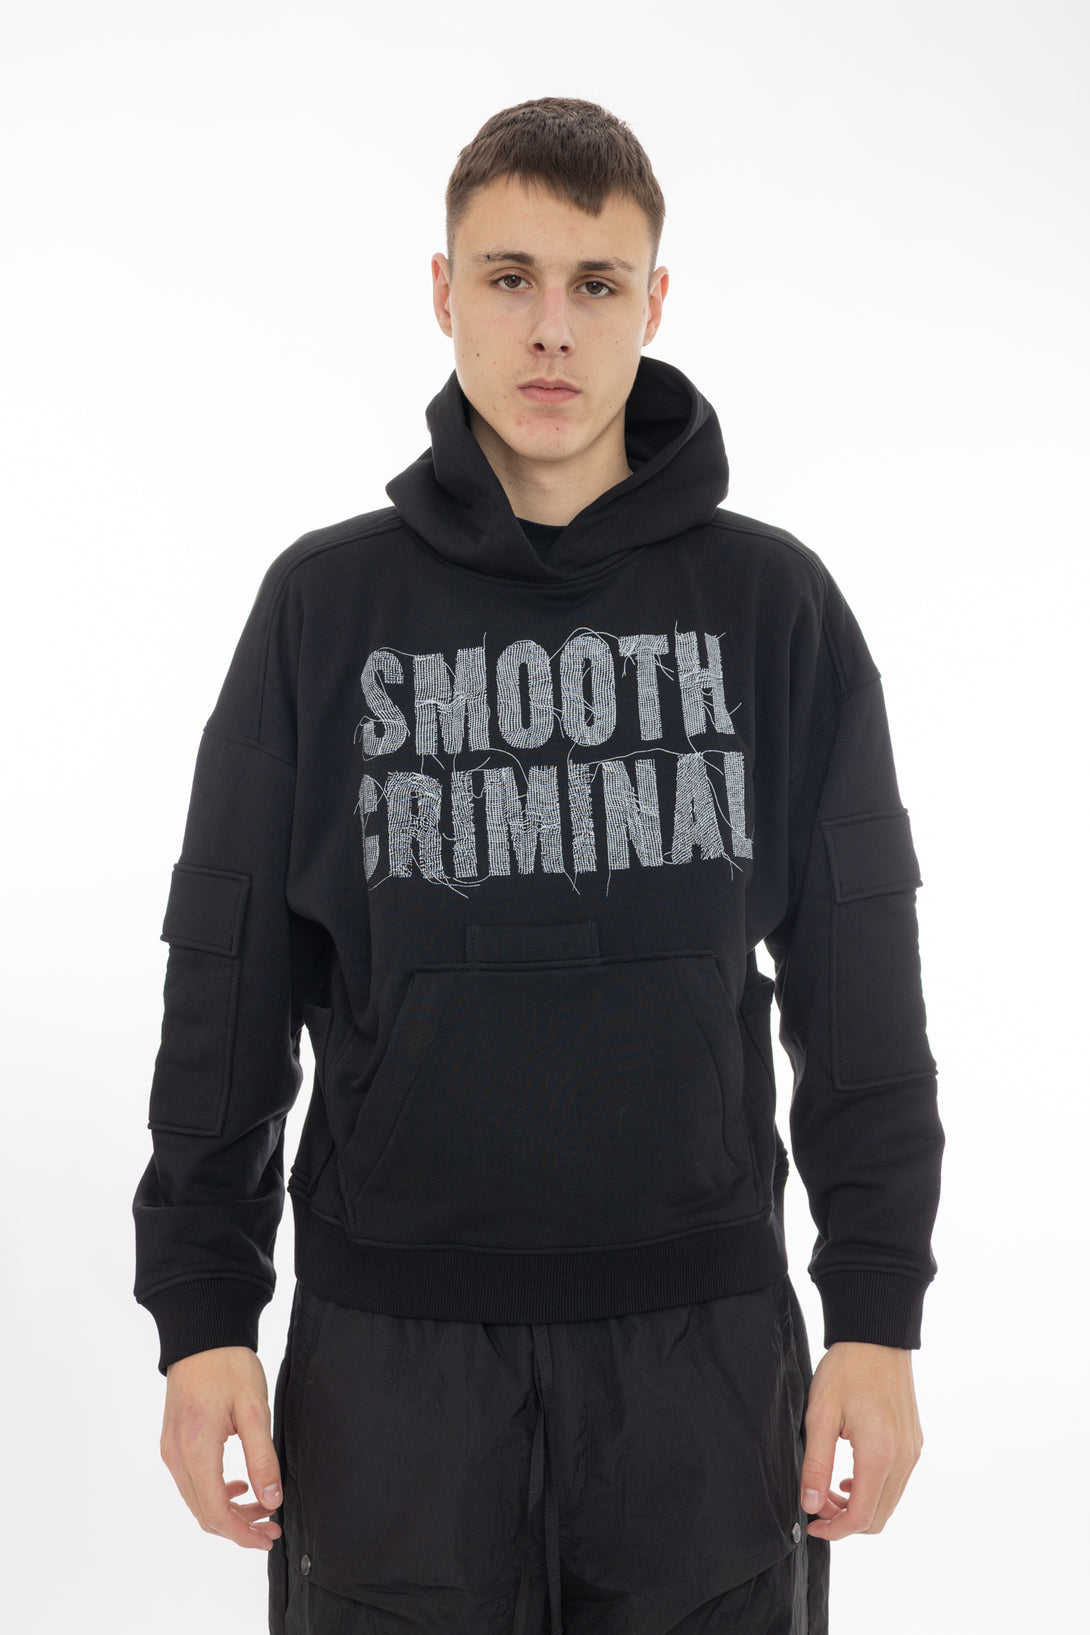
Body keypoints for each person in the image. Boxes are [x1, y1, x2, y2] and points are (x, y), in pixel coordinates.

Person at [133, 97, 943, 1634]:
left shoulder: (773, 609)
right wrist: (201, 1312)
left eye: (595, 282)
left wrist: (876, 1313)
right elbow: (227, 984)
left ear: (654, 301)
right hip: (393, 1358)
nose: (551, 328)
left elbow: (861, 997)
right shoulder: (324, 609)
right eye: (508, 279)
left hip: (701, 1352)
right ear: (444, 293)